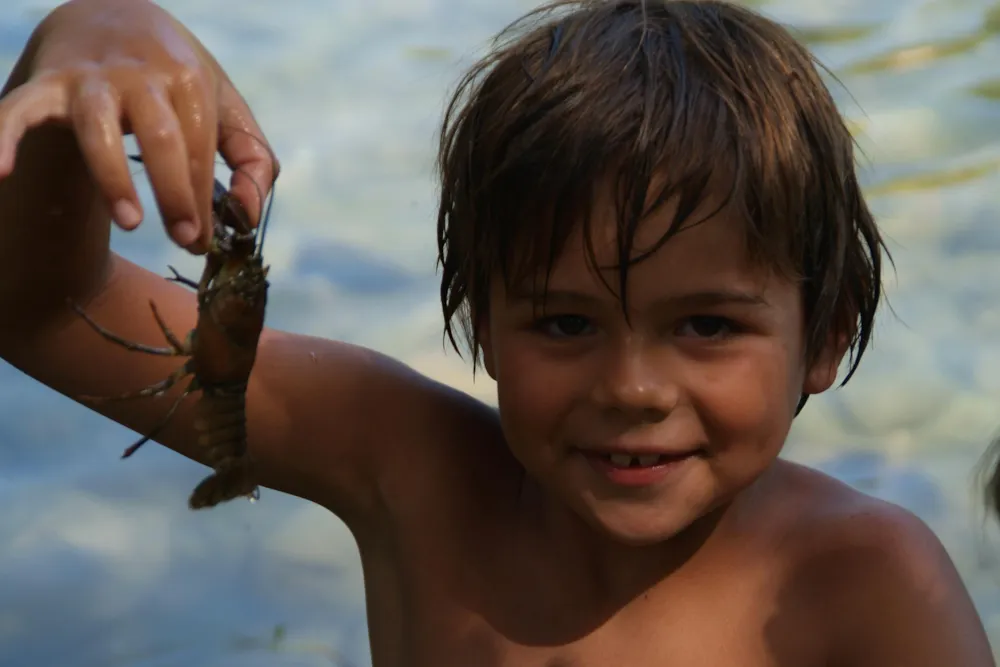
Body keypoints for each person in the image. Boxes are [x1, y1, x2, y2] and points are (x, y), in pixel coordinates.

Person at [0, 0, 993, 664]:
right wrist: (90, 30)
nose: (632, 386)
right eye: (565, 321)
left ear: (824, 336)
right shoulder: (409, 467)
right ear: (480, 323)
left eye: (705, 324)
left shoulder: (865, 582)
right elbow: (40, 309)